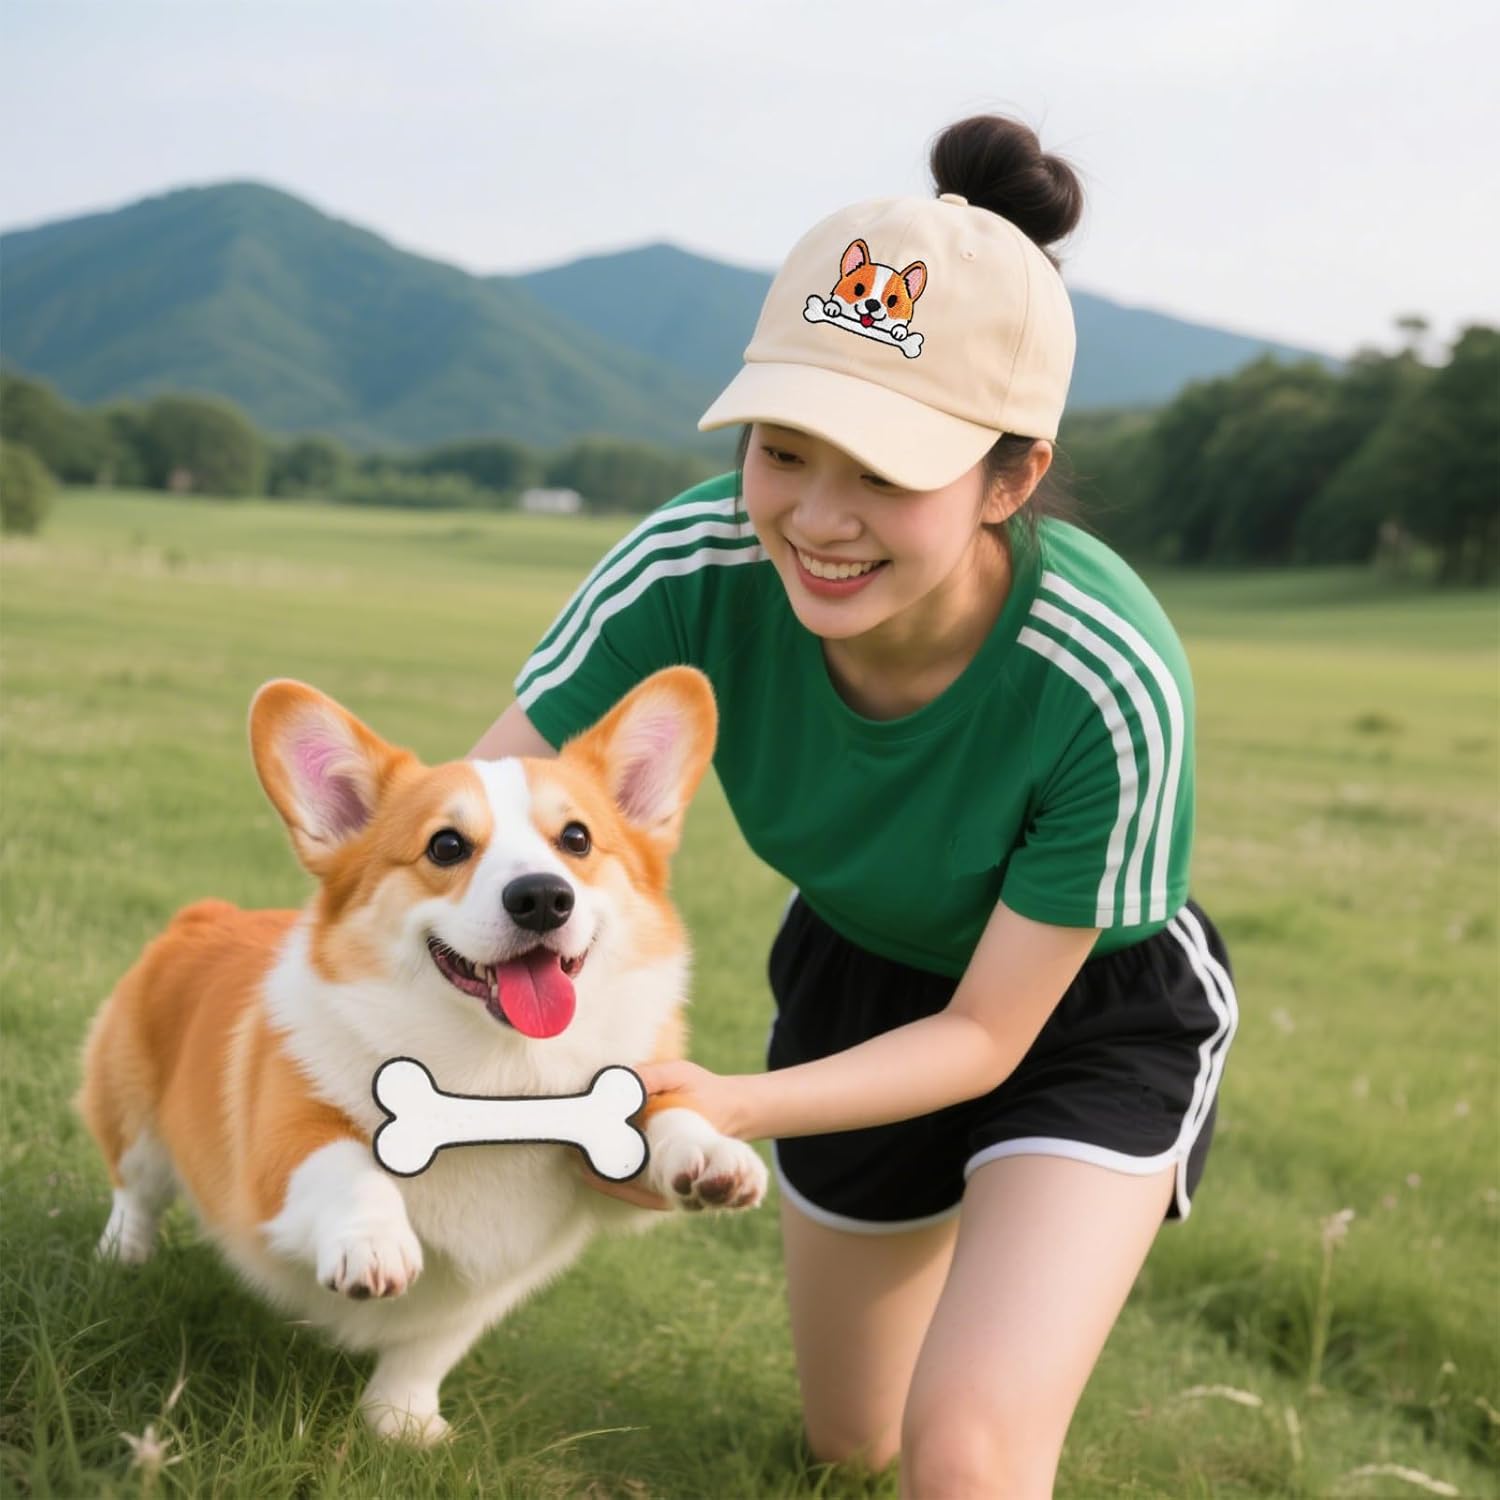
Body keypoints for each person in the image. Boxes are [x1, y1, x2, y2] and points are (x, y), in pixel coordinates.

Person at [468, 114, 1239, 1500]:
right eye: (783, 450)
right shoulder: (692, 566)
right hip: (856, 975)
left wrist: (729, 1103)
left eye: (886, 472)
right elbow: (475, 827)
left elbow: (989, 1032)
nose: (818, 518)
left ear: (1011, 478)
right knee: (850, 1448)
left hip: (1086, 1013)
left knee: (966, 1455)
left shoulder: (1106, 675)